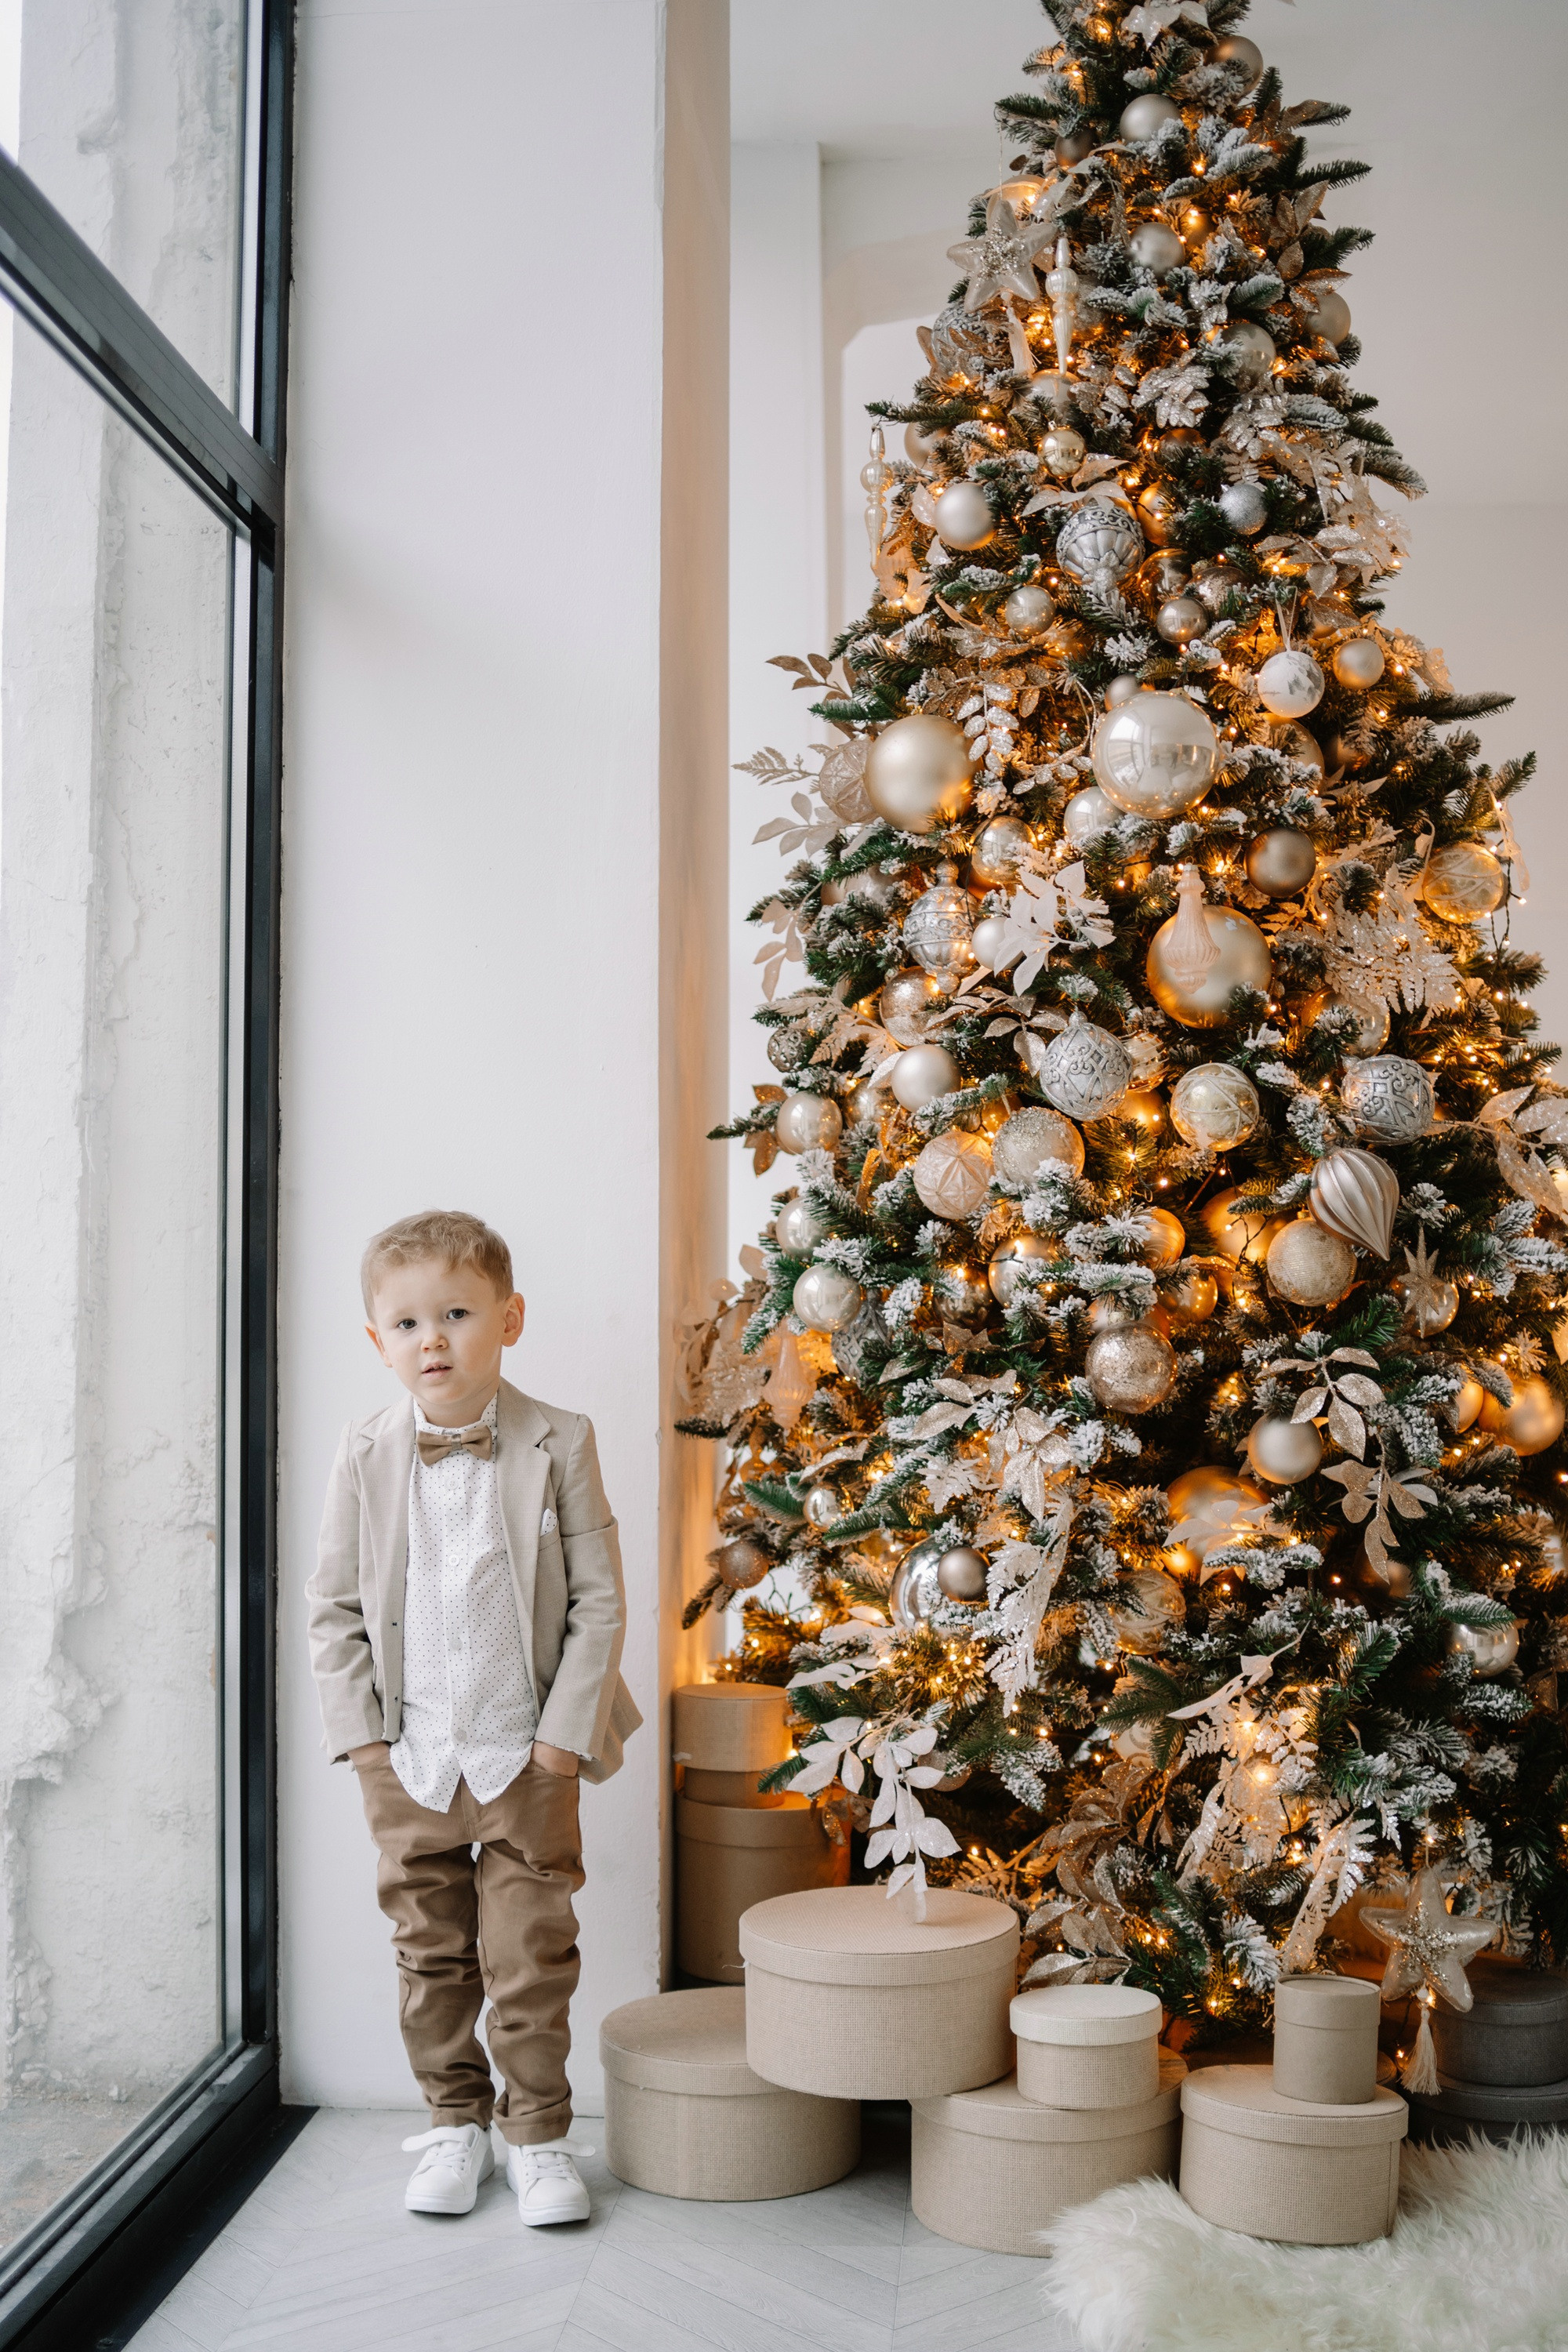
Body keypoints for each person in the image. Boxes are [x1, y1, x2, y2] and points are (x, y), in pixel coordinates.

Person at [307, 1208, 641, 2224]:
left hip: (528, 1757)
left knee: (531, 1954)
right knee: (429, 1950)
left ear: (511, 1317)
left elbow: (599, 1601)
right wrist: (362, 1740)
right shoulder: (364, 1452)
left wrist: (561, 1741)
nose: (434, 1340)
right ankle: (456, 2125)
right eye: (406, 1325)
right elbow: (332, 1607)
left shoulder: (561, 1441)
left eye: (456, 1314)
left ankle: (537, 2136)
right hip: (407, 1760)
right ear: (378, 1343)